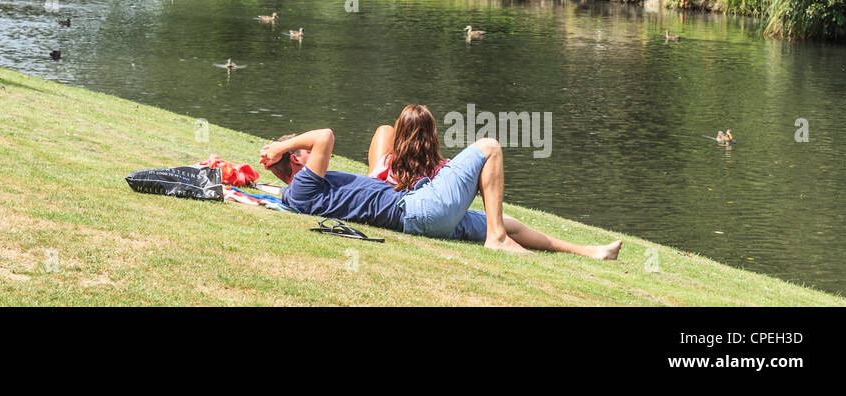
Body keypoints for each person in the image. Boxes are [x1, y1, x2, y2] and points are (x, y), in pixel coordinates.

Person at [260, 121, 621, 259]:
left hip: (424, 217)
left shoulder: (299, 193)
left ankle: (589, 251)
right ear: (295, 160)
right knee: (490, 147)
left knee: (506, 220)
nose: (308, 150)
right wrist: (280, 146)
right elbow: (325, 136)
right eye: (298, 149)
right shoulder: (304, 185)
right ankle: (496, 238)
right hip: (417, 210)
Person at [367, 104, 450, 186]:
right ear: (432, 136)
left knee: (385, 130)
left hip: (391, 196)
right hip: (419, 197)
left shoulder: (387, 165)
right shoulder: (442, 169)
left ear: (399, 135)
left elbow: (372, 184)